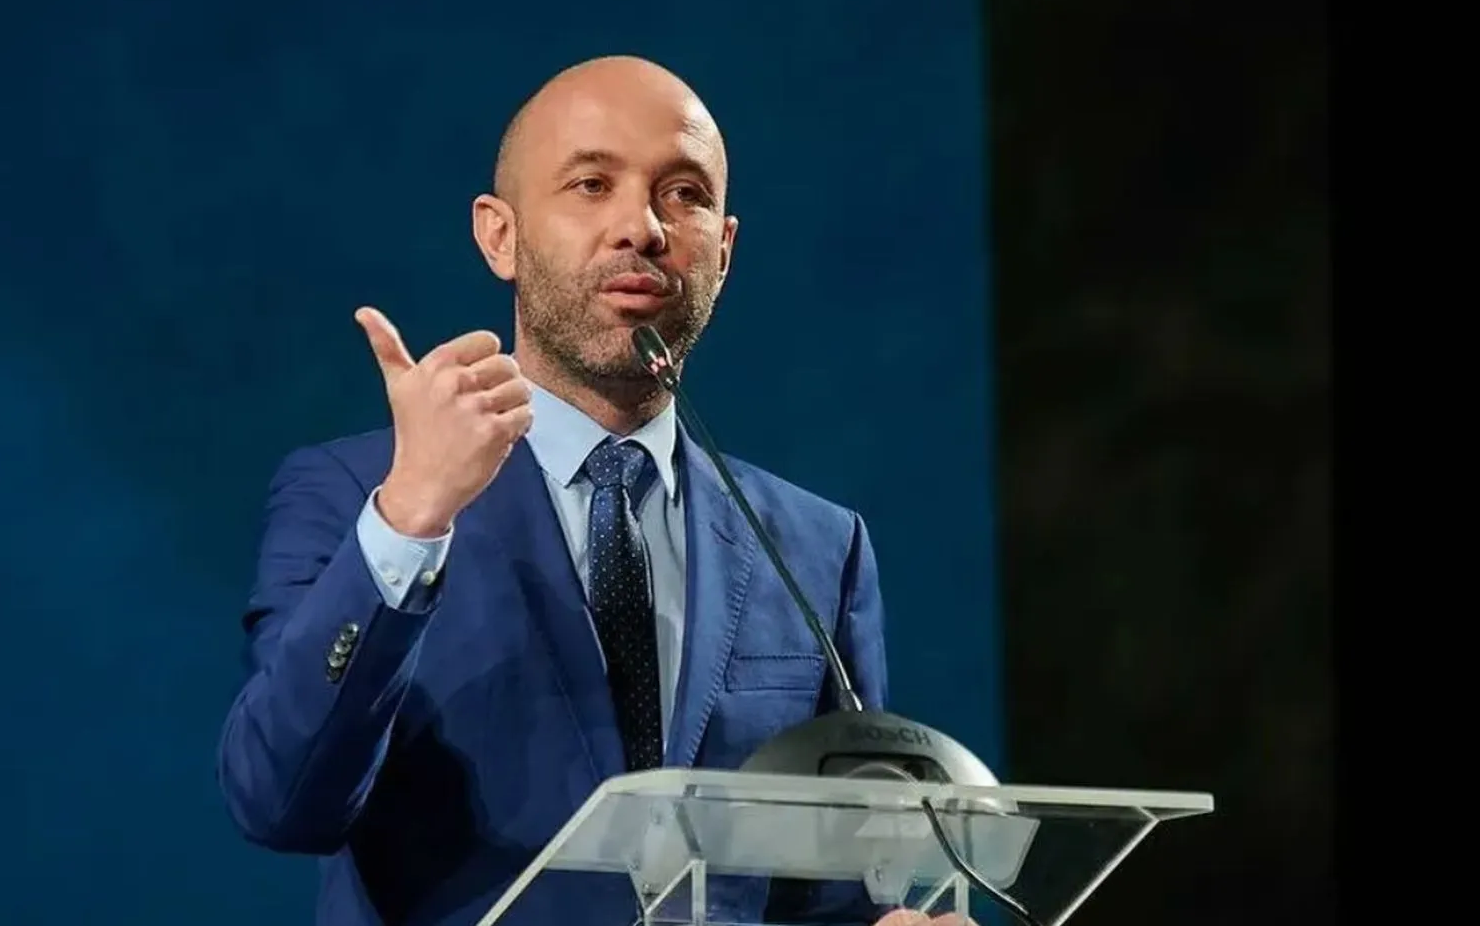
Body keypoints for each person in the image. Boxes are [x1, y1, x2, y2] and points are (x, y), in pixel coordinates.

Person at [216, 56, 963, 926]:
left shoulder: (817, 549)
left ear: (723, 250)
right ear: (500, 236)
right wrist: (411, 518)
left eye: (683, 194)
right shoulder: (356, 493)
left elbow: (834, 880)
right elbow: (278, 799)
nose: (640, 227)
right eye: (592, 184)